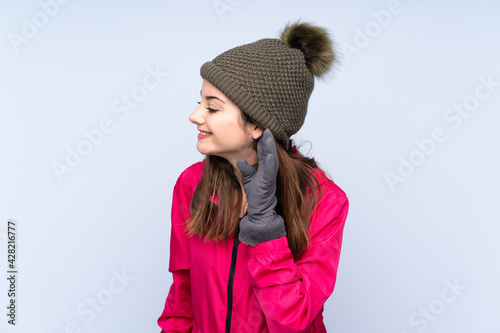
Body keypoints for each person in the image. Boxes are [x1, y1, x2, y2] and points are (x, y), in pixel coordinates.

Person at [157, 21, 349, 333]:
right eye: (199, 102)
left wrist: (266, 230)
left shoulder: (325, 201)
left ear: (258, 125)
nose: (195, 116)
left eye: (213, 108)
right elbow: (183, 299)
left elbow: (291, 321)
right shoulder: (191, 185)